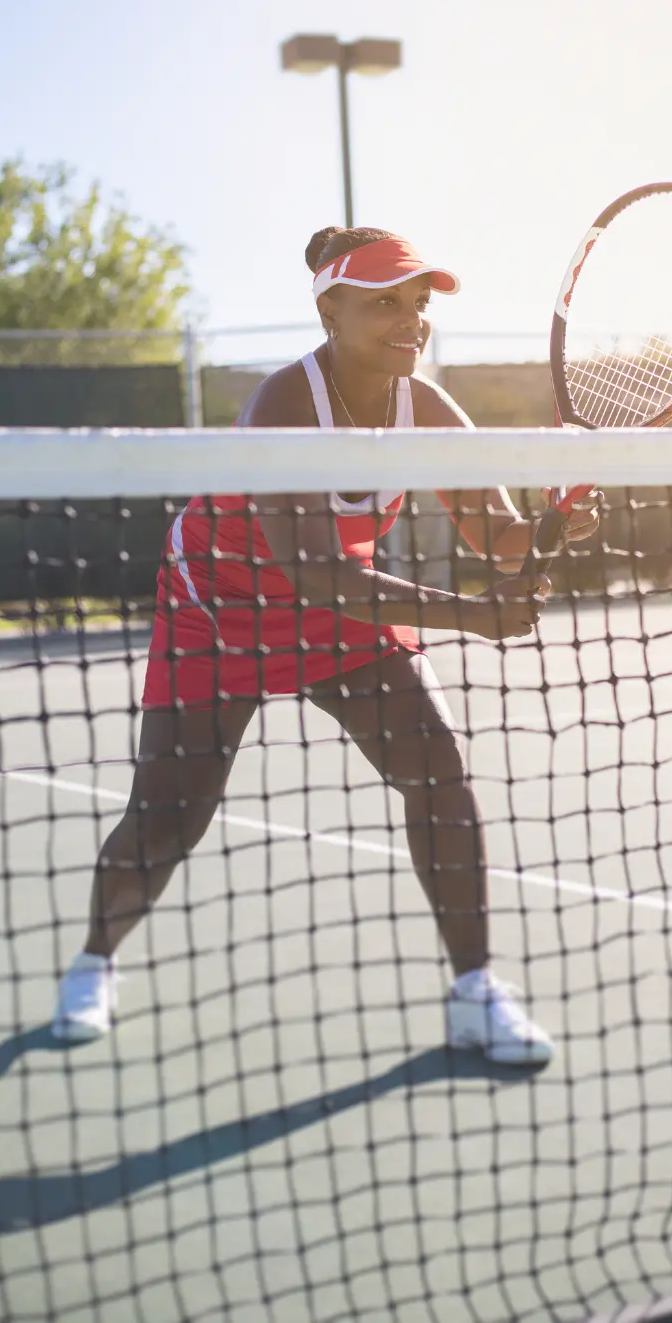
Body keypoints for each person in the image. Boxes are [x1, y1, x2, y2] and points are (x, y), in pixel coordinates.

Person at [52, 226, 600, 1063]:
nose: (409, 321)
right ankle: (94, 963)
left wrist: (548, 528)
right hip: (220, 609)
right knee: (169, 819)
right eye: (385, 303)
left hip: (340, 611)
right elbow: (316, 575)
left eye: (417, 303)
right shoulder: (280, 407)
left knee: (440, 774)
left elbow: (496, 532)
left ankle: (474, 991)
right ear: (330, 308)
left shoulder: (426, 405)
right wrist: (475, 616)